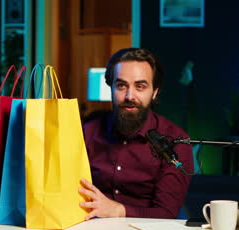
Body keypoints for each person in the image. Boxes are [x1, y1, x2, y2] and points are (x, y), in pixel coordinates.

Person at [79, 48, 194, 220]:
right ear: (110, 87)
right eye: (121, 85)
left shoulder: (176, 142)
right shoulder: (87, 132)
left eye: (140, 86)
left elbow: (166, 213)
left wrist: (118, 210)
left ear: (154, 92)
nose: (129, 96)